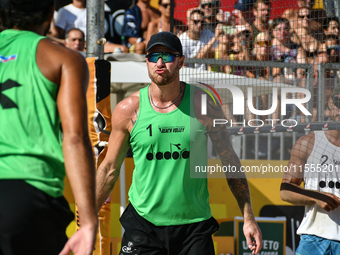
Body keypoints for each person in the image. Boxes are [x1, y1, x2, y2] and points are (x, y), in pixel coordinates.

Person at [95, 31, 262, 255]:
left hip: (193, 228)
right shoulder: (128, 109)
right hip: (144, 226)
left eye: (167, 56)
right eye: (154, 57)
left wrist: (248, 218)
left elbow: (230, 161)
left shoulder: (204, 105)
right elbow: (108, 169)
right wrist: (87, 222)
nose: (160, 63)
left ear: (181, 61)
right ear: (147, 62)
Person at [0, 0, 97, 254]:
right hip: (28, 194)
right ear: (50, 13)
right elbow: (75, 138)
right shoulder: (61, 57)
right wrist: (87, 221)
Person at [280, 86, 340, 255]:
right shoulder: (308, 142)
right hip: (314, 238)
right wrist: (318, 197)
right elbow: (285, 190)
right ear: (330, 103)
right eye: (338, 102)